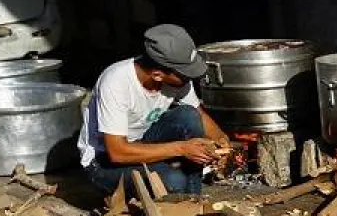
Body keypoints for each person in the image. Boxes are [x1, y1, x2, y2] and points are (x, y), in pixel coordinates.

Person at [78, 23, 233, 195]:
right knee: (173, 181)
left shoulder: (178, 78)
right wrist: (182, 148)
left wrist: (221, 140)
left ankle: (193, 199)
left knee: (188, 116)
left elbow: (198, 114)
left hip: (143, 140)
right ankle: (179, 202)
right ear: (157, 75)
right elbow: (117, 152)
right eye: (184, 75)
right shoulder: (116, 82)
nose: (189, 79)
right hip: (104, 161)